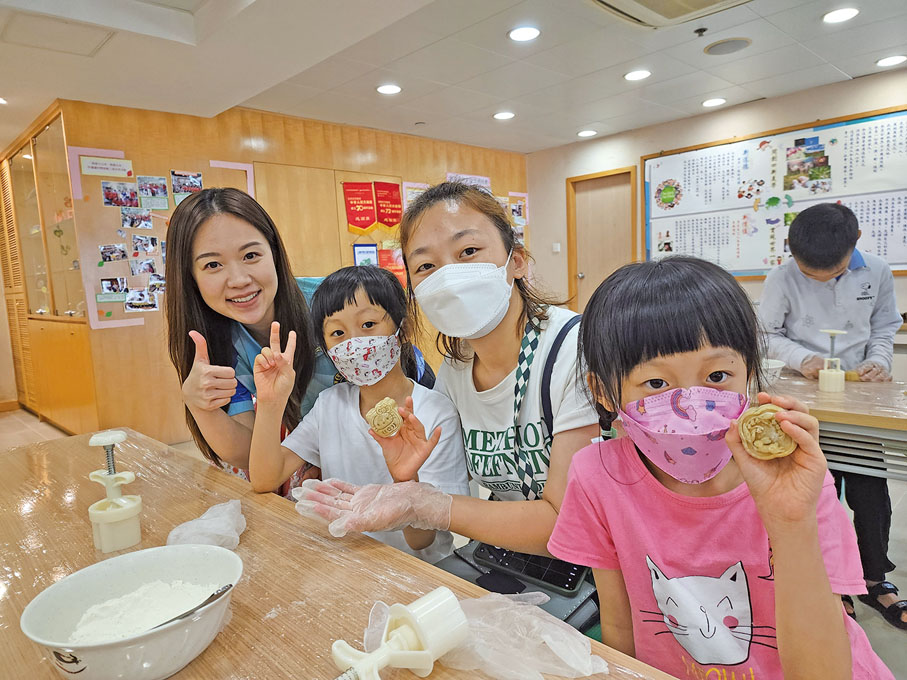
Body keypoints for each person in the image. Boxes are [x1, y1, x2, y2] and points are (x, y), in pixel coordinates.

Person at [546, 256, 893, 679]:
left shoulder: (795, 482)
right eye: (656, 383)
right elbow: (620, 625)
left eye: (717, 376)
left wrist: (790, 522)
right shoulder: (596, 474)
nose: (691, 404)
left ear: (749, 372)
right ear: (602, 391)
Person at [295, 181, 600, 556]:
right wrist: (407, 486)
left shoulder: (576, 350)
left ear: (516, 261)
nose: (449, 278)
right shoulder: (456, 372)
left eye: (468, 250)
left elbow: (568, 525)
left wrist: (429, 506)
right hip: (509, 558)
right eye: (426, 265)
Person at [248, 266, 469, 562]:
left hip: (420, 571)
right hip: (348, 561)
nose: (354, 343)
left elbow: (422, 542)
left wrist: (407, 483)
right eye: (337, 332)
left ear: (402, 330)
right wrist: (271, 402)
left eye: (368, 324)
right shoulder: (329, 405)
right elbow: (265, 479)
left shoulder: (436, 413)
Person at [759, 203, 905, 629]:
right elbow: (765, 334)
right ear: (792, 251)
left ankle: (876, 579)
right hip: (803, 395)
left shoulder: (876, 271)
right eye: (810, 274)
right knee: (815, 493)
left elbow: (884, 325)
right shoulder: (781, 277)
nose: (819, 280)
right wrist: (804, 359)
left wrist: (879, 359)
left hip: (858, 393)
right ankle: (829, 581)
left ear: (855, 242)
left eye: (831, 272)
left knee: (869, 492)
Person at [165, 187, 338, 494]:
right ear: (190, 276)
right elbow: (246, 454)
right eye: (212, 265)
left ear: (274, 253)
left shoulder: (333, 303)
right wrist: (199, 406)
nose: (239, 280)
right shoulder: (216, 340)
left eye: (251, 255)